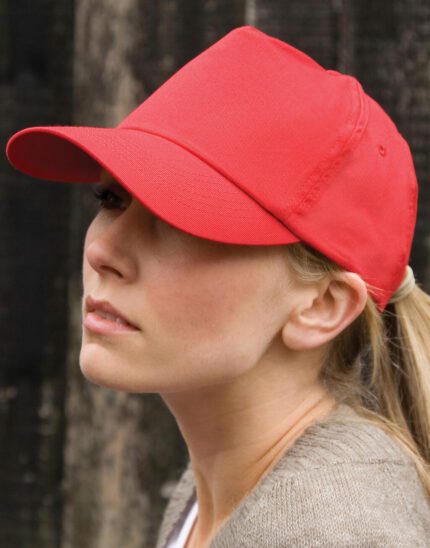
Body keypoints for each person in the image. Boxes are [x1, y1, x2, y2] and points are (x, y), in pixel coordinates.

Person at [5, 24, 430, 548]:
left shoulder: (332, 532)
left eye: (177, 219)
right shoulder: (225, 485)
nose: (102, 250)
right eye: (112, 199)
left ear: (321, 306)